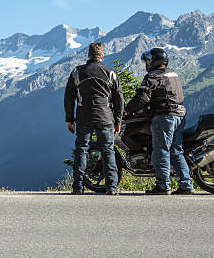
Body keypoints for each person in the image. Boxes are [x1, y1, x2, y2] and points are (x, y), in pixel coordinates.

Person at [125, 48, 194, 195]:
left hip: (164, 117)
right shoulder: (172, 73)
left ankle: (163, 185)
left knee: (161, 150)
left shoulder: (152, 76)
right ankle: (186, 185)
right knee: (176, 151)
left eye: (148, 61)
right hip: (179, 115)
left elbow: (142, 98)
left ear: (154, 61)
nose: (146, 64)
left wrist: (127, 109)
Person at [64, 42, 124, 195]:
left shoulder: (77, 72)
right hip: (105, 118)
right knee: (108, 150)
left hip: (84, 117)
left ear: (88, 55)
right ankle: (111, 188)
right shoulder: (110, 73)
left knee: (82, 151)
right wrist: (118, 120)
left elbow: (69, 98)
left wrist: (69, 119)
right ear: (102, 56)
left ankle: (78, 187)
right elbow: (119, 99)